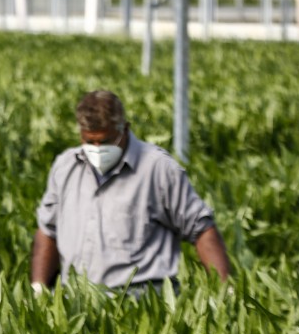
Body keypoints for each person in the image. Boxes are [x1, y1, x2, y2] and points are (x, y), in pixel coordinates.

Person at [30, 90, 231, 294]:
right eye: (90, 142)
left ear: (125, 129)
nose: (98, 149)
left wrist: (225, 289)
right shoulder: (65, 166)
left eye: (106, 141)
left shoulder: (159, 168)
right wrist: (38, 287)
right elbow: (48, 230)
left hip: (141, 300)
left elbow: (201, 228)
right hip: (76, 299)